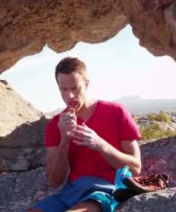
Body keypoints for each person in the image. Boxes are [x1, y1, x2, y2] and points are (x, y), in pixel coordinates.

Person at [29, 57, 142, 212]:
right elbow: (54, 181)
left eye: (75, 88)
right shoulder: (56, 124)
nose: (70, 96)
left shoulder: (116, 112)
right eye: (64, 89)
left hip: (106, 189)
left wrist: (101, 145)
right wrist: (64, 140)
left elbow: (135, 168)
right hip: (71, 192)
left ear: (86, 84)